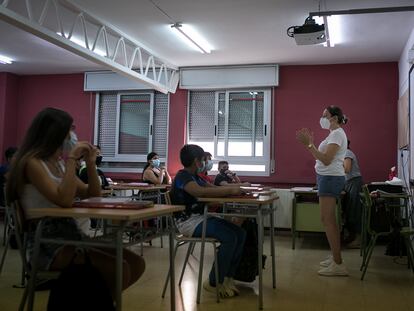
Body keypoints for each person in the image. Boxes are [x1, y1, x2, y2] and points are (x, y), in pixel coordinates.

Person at [5, 107, 145, 294]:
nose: (72, 135)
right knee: (119, 269)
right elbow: (64, 199)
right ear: (55, 133)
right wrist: (72, 159)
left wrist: (91, 163)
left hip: (71, 234)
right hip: (47, 242)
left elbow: (93, 193)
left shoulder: (59, 164)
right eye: (69, 129)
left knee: (136, 264)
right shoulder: (33, 163)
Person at [170, 144, 246, 297]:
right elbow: (199, 192)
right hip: (188, 223)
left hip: (200, 218)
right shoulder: (182, 176)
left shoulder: (195, 176)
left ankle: (227, 278)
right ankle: (213, 282)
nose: (206, 163)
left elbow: (212, 187)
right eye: (204, 160)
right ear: (197, 161)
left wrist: (239, 186)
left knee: (240, 232)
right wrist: (231, 190)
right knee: (230, 237)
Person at [296, 105, 349, 276]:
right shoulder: (333, 135)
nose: (322, 118)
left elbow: (326, 159)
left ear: (333, 118)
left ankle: (338, 263)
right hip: (327, 178)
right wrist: (311, 144)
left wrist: (309, 145)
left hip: (331, 178)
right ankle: (335, 257)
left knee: (328, 220)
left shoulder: (337, 134)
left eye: (324, 115)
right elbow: (324, 158)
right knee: (326, 219)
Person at [343, 140, 363, 248]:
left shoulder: (346, 152)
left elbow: (347, 169)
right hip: (349, 182)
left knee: (354, 210)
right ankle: (352, 236)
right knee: (349, 210)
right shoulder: (344, 153)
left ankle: (359, 240)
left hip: (353, 182)